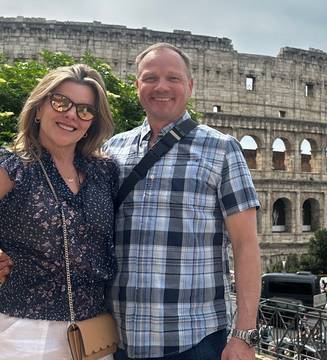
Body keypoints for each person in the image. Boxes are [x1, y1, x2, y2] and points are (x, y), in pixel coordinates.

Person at [103, 43, 261, 360]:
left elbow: (246, 245)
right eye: (150, 78)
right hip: (118, 339)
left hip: (193, 340)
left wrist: (243, 335)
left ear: (190, 86)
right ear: (137, 86)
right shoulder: (112, 149)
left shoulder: (223, 149)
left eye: (173, 78)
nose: (161, 87)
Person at [0, 64, 117, 359]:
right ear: (39, 108)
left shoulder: (104, 173)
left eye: (85, 110)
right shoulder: (13, 167)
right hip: (24, 332)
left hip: (94, 335)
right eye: (60, 102)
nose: (71, 115)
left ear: (93, 121)